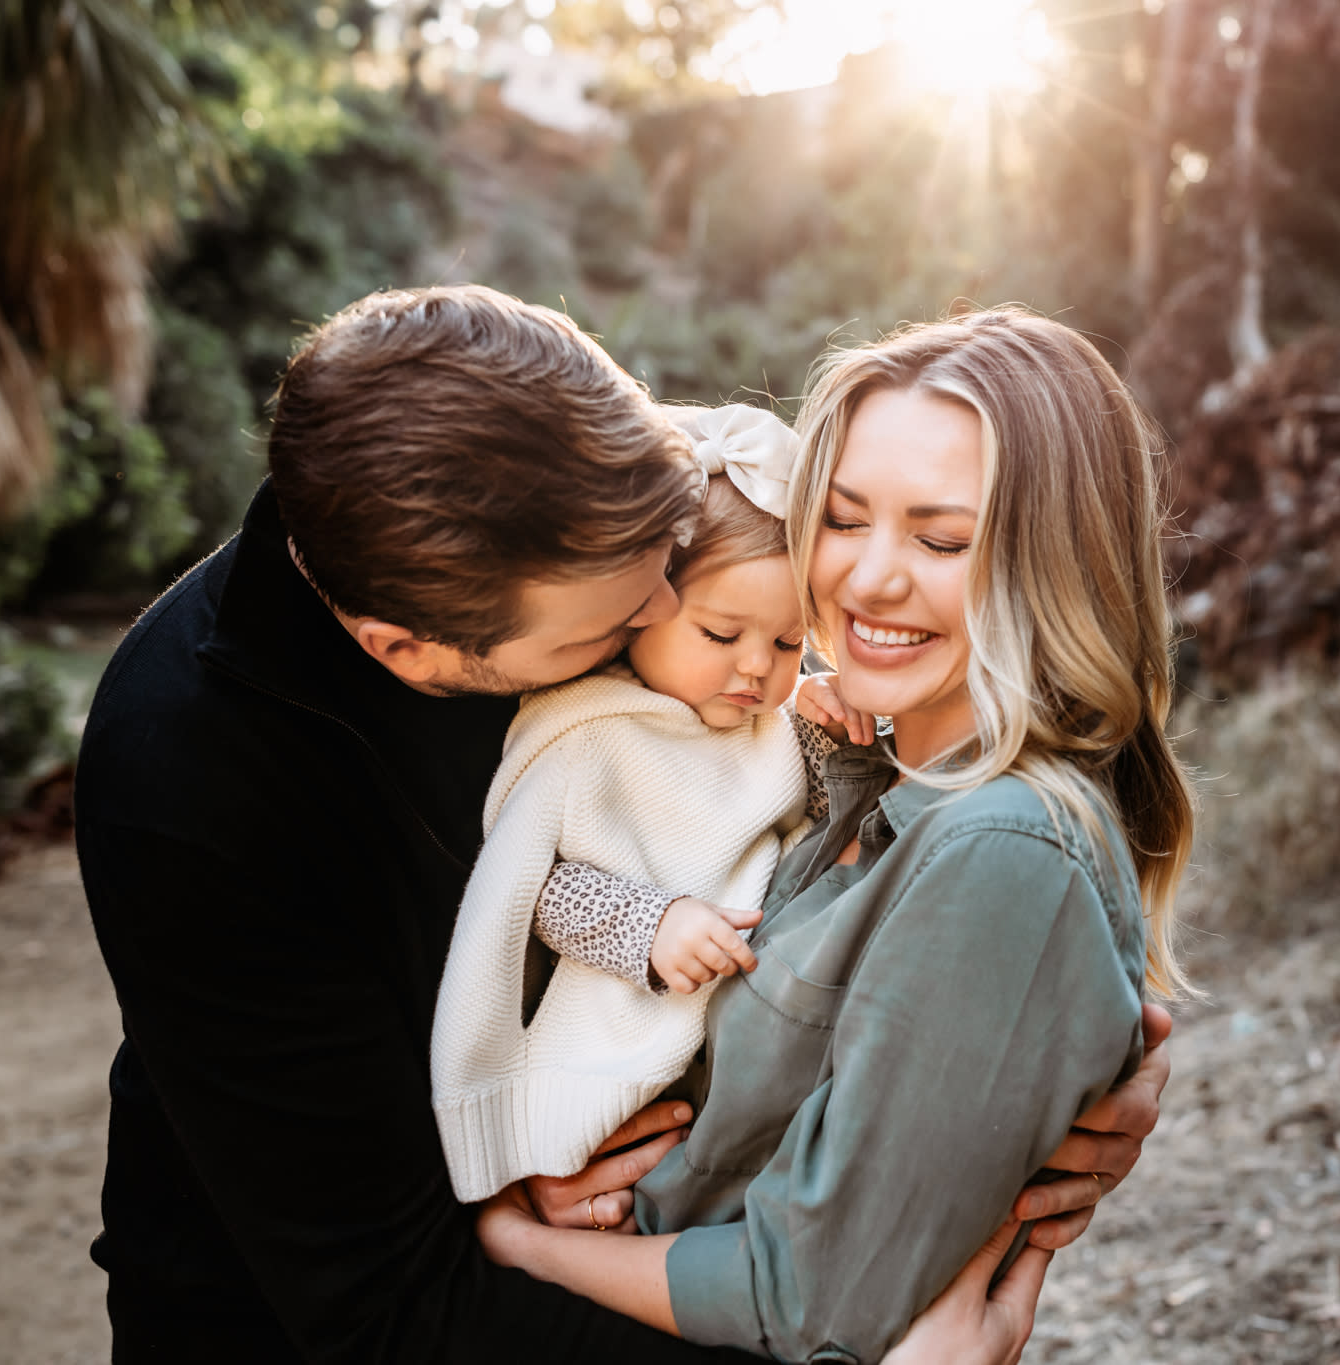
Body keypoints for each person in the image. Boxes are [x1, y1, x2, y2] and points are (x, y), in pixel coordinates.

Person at [76, 284, 1172, 1363]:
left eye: (666, 556)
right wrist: (517, 1171)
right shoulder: (193, 782)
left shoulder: (563, 478)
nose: (663, 614)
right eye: (614, 622)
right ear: (408, 652)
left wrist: (1014, 1083)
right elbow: (383, 1303)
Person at [474, 306, 1195, 1365]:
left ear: (1054, 565)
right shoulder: (849, 778)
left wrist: (511, 1244)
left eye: (941, 538)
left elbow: (810, 1300)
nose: (866, 580)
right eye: (843, 518)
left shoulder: (1004, 847)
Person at [432, 403, 857, 1201]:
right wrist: (649, 924)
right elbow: (531, 890)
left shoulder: (776, 725)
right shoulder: (587, 728)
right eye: (722, 635)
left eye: (788, 642)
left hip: (760, 1023)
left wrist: (839, 730)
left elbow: (833, 821)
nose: (758, 669)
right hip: (625, 1030)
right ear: (645, 608)